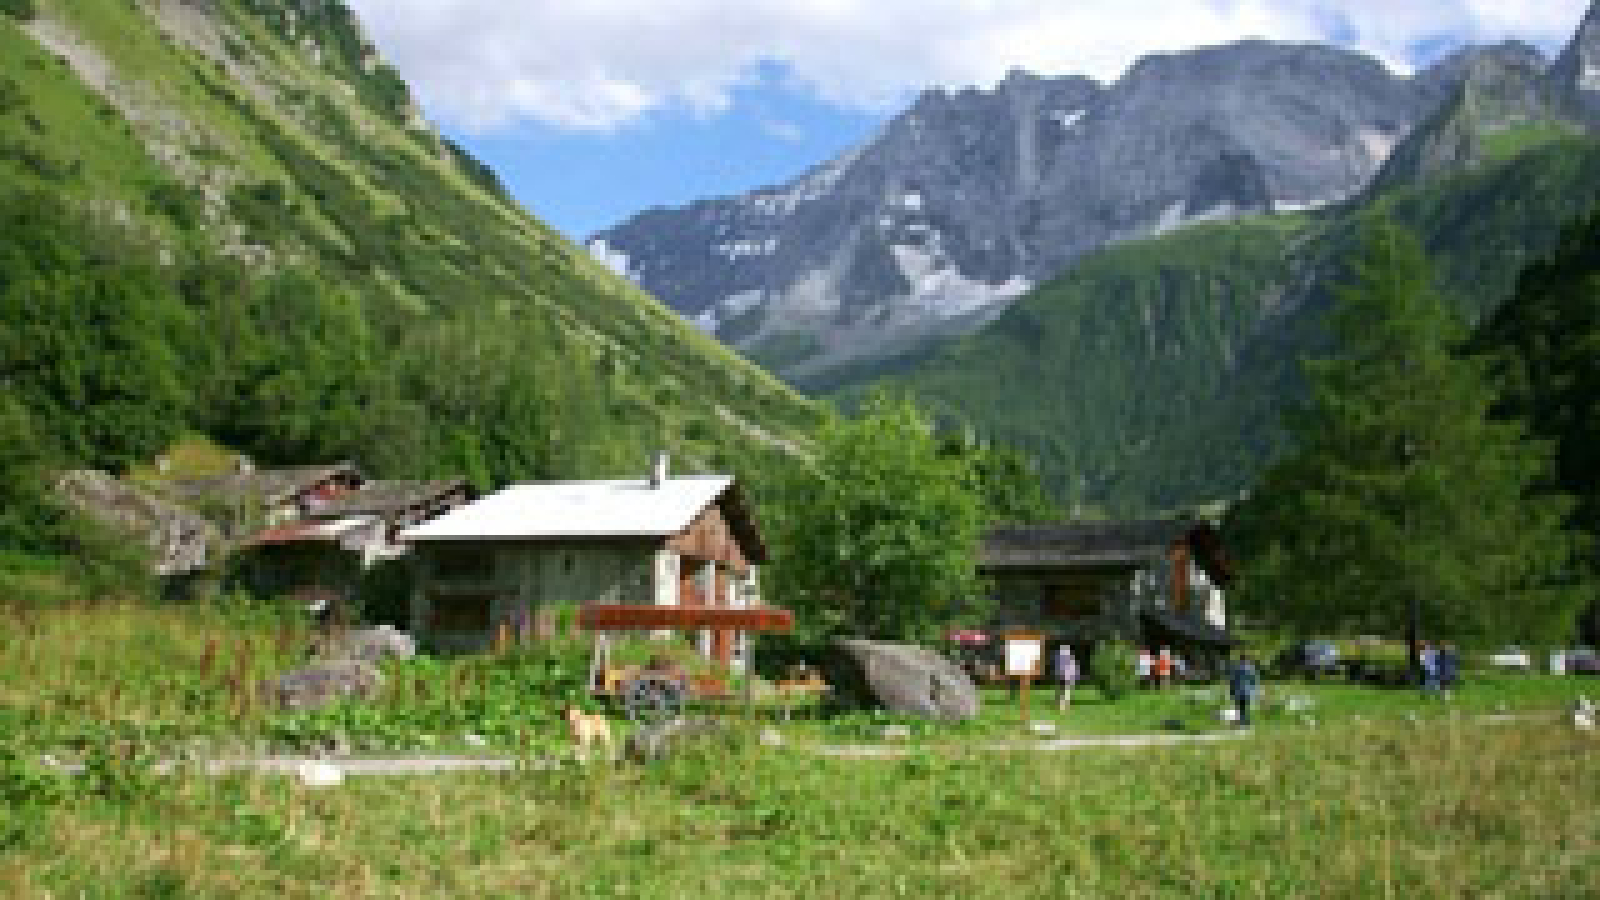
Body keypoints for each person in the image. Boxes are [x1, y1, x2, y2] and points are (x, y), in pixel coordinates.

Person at [1228, 655, 1261, 727]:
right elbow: (1254, 681)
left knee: (1240, 707)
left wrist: (1232, 690)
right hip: (1247, 691)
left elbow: (1233, 681)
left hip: (1239, 691)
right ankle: (1245, 721)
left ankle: (1242, 721)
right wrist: (1255, 691)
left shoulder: (1237, 669)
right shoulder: (1250, 669)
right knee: (1245, 707)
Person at [1056, 643, 1079, 711]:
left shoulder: (1062, 658)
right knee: (1065, 691)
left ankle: (1063, 704)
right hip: (1066, 676)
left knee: (1063, 691)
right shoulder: (1070, 658)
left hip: (1065, 676)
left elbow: (1072, 668)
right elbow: (1074, 668)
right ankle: (1064, 704)